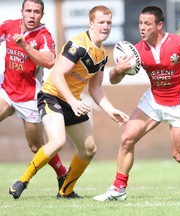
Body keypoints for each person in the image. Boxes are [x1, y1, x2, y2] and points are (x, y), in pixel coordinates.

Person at [93, 6, 180, 202]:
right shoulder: (138, 51)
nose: (142, 28)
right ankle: (118, 190)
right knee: (127, 139)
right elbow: (114, 79)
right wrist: (118, 70)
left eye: (147, 24)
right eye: (140, 23)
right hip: (153, 100)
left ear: (159, 25)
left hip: (179, 103)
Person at [9, 5, 129, 200]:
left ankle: (65, 191)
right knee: (58, 142)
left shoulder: (102, 55)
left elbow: (95, 88)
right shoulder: (77, 45)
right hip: (52, 96)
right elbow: (57, 76)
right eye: (101, 22)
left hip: (72, 101)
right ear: (91, 23)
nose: (105, 26)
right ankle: (23, 180)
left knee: (89, 149)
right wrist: (73, 102)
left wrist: (111, 110)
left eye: (108, 23)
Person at [1, 0, 68, 193]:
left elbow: (49, 61)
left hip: (30, 98)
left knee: (35, 146)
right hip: (7, 91)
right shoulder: (8, 26)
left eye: (36, 12)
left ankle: (62, 174)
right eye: (28, 11)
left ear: (42, 15)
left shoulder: (43, 36)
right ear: (21, 12)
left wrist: (26, 47)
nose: (32, 15)